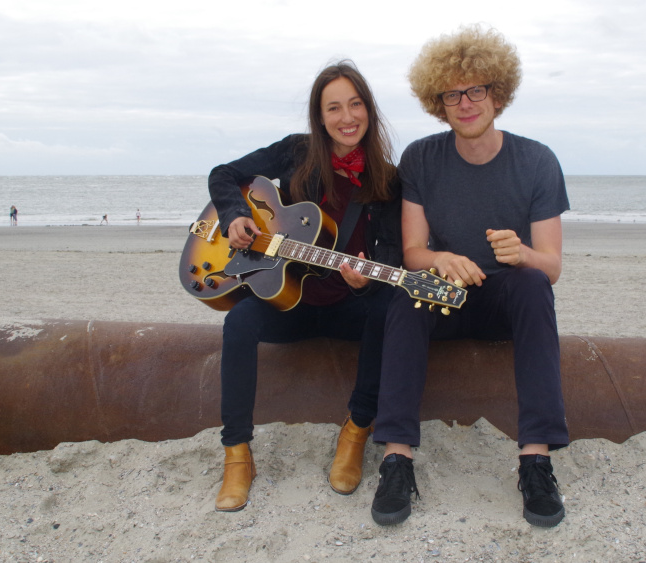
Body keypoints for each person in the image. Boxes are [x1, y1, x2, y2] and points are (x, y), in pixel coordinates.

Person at [369, 25, 571, 528]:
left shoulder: (537, 160)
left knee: (530, 283)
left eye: (476, 89)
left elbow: (552, 267)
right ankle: (397, 460)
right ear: (438, 102)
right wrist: (439, 260)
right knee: (407, 293)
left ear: (497, 94)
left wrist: (521, 252)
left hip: (506, 298)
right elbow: (413, 251)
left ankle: (536, 461)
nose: (465, 103)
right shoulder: (421, 157)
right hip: (446, 299)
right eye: (452, 94)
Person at [206, 60, 402, 512]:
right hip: (288, 301)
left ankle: (356, 430)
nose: (346, 117)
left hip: (345, 303)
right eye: (333, 107)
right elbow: (224, 173)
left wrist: (362, 282)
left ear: (369, 111)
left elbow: (391, 257)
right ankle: (237, 454)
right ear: (319, 116)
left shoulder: (387, 180)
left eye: (355, 105)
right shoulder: (296, 152)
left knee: (386, 309)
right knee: (238, 323)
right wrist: (236, 215)